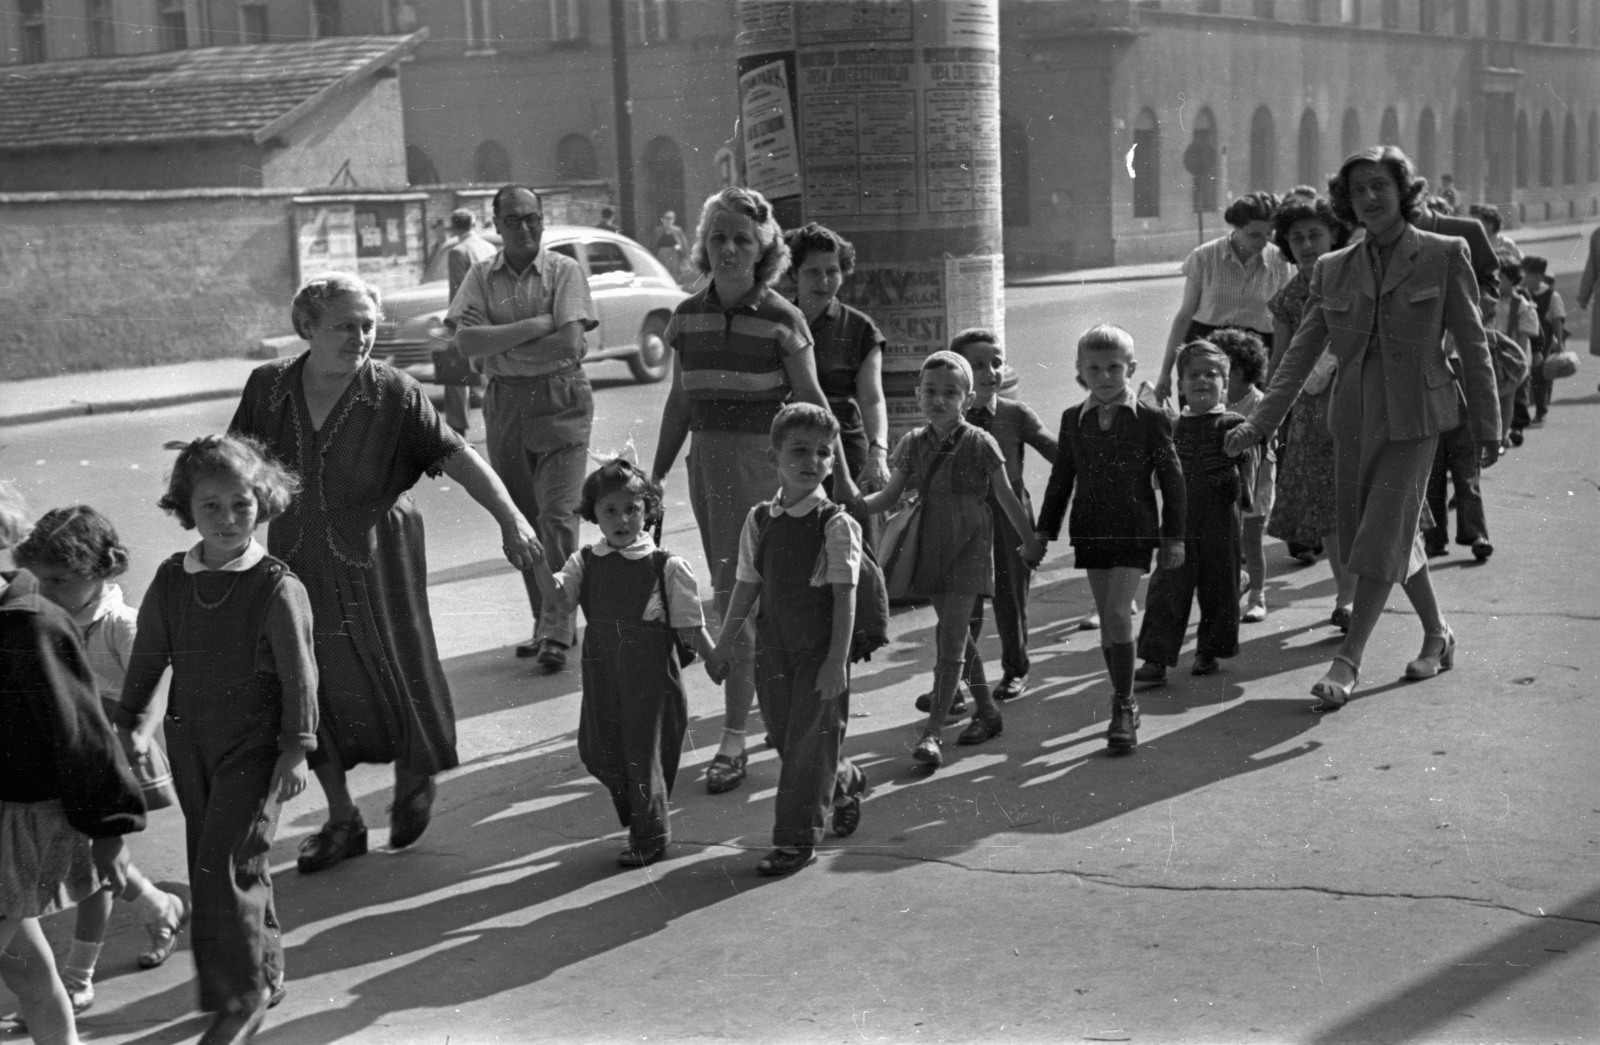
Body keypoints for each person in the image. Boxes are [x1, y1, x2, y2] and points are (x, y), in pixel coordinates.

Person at [230, 271, 543, 874]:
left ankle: (414, 768)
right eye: (345, 326)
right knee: (307, 678)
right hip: (295, 556)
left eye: (369, 326)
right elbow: (237, 465)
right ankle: (342, 816)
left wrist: (511, 520)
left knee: (396, 664)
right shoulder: (268, 387)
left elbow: (457, 455)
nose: (361, 337)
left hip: (378, 551)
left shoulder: (393, 392)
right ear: (307, 328)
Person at [1226, 146, 1500, 710]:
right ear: (1344, 203)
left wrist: (1488, 425)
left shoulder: (1445, 254)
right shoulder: (1333, 268)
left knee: (1379, 535)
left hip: (1417, 420)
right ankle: (1437, 634)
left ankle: (1347, 661)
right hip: (1348, 421)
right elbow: (1298, 356)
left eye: (1380, 185)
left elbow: (1473, 344)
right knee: (1377, 536)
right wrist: (1258, 424)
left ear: (1404, 191)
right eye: (1357, 191)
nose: (1369, 199)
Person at [115, 436, 315, 1045]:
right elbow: (149, 654)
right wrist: (127, 723)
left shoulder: (277, 587)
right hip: (190, 741)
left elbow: (299, 675)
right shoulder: (173, 579)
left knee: (221, 866)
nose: (228, 520)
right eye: (211, 507)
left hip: (254, 745)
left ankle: (241, 1000)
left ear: (263, 502)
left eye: (241, 505)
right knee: (234, 858)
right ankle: (267, 968)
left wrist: (296, 748)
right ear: (187, 509)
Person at [649, 187, 831, 795]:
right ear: (703, 246)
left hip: (769, 471)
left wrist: (841, 479)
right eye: (719, 237)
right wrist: (655, 477)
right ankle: (745, 734)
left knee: (768, 601)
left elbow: (811, 404)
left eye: (742, 240)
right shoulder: (685, 317)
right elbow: (680, 403)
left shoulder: (784, 318)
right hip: (711, 471)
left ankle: (750, 736)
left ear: (764, 250)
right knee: (738, 601)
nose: (728, 249)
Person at [10, 507, 187, 1015]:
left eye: (61, 580)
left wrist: (137, 732)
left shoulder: (120, 625)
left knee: (90, 862)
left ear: (103, 570)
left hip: (109, 757)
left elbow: (155, 682)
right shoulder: (43, 615)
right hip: (64, 757)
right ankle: (159, 906)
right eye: (39, 580)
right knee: (85, 855)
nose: (45, 591)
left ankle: (78, 975)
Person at [0, 483, 145, 1045]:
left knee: (23, 966)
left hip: (26, 822)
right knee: (25, 969)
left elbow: (82, 737)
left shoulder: (32, 626)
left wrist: (110, 831)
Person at [851, 352, 1044, 769]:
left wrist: (1029, 542)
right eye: (931, 391)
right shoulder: (913, 443)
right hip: (930, 539)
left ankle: (933, 732)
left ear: (968, 398)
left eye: (950, 392)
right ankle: (988, 711)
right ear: (918, 393)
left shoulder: (980, 442)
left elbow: (1007, 497)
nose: (938, 400)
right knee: (957, 634)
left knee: (952, 638)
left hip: (970, 542)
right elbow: (887, 497)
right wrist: (847, 509)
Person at [530, 459, 713, 869]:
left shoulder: (664, 565)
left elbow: (690, 623)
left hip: (648, 676)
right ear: (593, 513)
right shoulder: (585, 561)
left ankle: (650, 833)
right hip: (602, 672)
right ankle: (643, 820)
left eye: (632, 508)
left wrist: (715, 658)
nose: (622, 519)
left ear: (648, 509)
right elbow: (559, 598)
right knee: (599, 749)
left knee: (641, 753)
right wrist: (537, 562)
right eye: (611, 510)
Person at [709, 404, 869, 874]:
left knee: (806, 745)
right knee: (786, 738)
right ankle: (844, 777)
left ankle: (795, 842)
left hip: (820, 651)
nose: (812, 461)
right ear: (773, 455)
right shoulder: (760, 520)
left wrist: (837, 660)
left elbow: (845, 598)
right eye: (799, 450)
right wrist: (723, 644)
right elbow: (746, 586)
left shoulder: (836, 524)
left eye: (824, 453)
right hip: (772, 649)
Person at [447, 185, 599, 671]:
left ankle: (557, 629)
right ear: (496, 223)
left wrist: (500, 349)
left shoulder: (565, 272)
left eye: (532, 218)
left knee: (558, 515)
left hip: (561, 399)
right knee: (527, 522)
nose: (525, 228)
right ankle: (547, 624)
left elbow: (570, 345)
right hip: (506, 405)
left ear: (543, 220)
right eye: (513, 220)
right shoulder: (480, 274)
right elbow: (465, 341)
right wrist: (537, 325)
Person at [1036, 325, 1185, 752]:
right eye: (1094, 368)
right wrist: (1042, 533)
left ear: (1131, 368)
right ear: (1080, 372)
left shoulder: (1152, 419)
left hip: (1135, 531)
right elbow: (1061, 481)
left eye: (1114, 367)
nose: (1105, 376)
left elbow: (1173, 483)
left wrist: (1174, 537)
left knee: (1118, 613)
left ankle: (1123, 706)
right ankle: (1125, 700)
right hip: (1092, 530)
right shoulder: (1071, 419)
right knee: (1108, 621)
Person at [1134, 341, 1255, 685]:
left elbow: (1249, 467)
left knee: (1220, 584)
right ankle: (1156, 659)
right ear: (1181, 384)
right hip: (1179, 522)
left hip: (1221, 517)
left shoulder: (1234, 422)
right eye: (1193, 374)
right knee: (1168, 586)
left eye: (1211, 374)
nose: (1202, 380)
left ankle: (1209, 652)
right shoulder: (1172, 426)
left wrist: (1242, 456)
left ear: (1226, 382)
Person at [1264, 195, 1359, 628]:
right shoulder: (1287, 299)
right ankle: (1347, 593)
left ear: (1334, 233)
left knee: (1372, 499)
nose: (1305, 244)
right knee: (1328, 506)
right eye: (1295, 237)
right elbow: (1282, 364)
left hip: (1362, 400)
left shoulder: (1357, 276)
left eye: (1314, 234)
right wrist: (1269, 418)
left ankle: (1366, 588)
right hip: (1313, 412)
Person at [950, 328, 1056, 702]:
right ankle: (961, 678)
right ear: (959, 370)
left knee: (1011, 598)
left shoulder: (1016, 413)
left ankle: (1016, 670)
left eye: (996, 362)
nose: (990, 372)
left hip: (1010, 514)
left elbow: (1058, 453)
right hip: (963, 516)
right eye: (978, 365)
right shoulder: (950, 416)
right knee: (966, 602)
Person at [783, 223, 890, 511]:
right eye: (812, 271)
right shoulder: (779, 322)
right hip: (791, 447)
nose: (824, 281)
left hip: (845, 448)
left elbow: (872, 398)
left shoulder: (860, 328)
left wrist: (877, 452)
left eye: (832, 271)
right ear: (794, 273)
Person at [1154, 191, 1294, 403]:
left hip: (1255, 357)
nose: (1264, 243)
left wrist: (1277, 375)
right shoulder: (1204, 256)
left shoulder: (1281, 263)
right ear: (1236, 228)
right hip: (1205, 349)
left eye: (1269, 234)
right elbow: (1184, 316)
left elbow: (1284, 325)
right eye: (1254, 234)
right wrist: (1165, 372)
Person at [1213, 329, 1274, 622]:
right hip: (1225, 481)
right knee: (1226, 540)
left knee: (1252, 540)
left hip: (1256, 480)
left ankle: (1257, 596)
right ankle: (1235, 585)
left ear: (1236, 371)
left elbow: (1265, 439)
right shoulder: (1217, 399)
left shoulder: (1260, 402)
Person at [438, 208, 498, 438]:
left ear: (453, 228)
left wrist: (451, 325)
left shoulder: (457, 251)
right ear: (473, 224)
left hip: (468, 316)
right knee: (485, 371)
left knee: (454, 373)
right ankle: (495, 420)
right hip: (490, 316)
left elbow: (457, 291)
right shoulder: (489, 247)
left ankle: (457, 426)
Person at [1520, 254, 1564, 427]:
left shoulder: (1552, 296)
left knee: (1539, 377)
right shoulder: (1525, 293)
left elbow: (1557, 320)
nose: (1523, 279)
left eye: (1527, 276)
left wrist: (1559, 341)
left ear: (1538, 277)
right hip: (1527, 339)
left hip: (1545, 342)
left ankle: (1540, 411)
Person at [649, 210, 689, 280]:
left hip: (674, 254)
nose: (668, 220)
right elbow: (653, 243)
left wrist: (683, 254)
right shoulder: (658, 230)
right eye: (666, 218)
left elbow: (683, 243)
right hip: (661, 254)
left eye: (671, 218)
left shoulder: (677, 230)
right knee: (663, 271)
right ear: (663, 219)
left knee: (674, 273)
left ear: (674, 220)